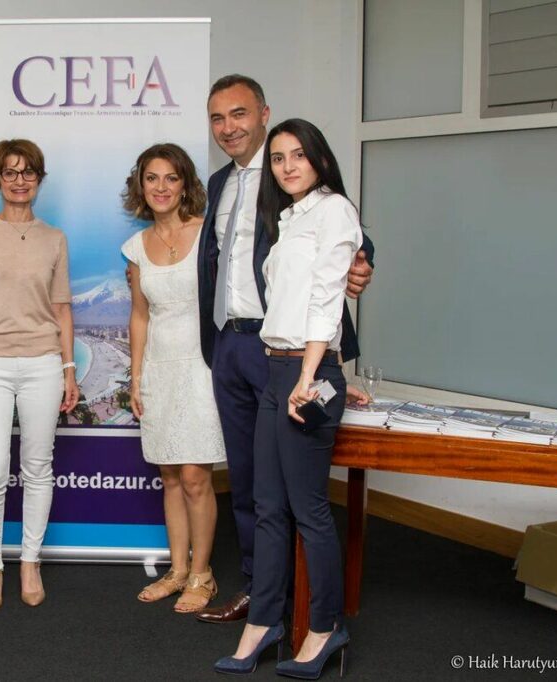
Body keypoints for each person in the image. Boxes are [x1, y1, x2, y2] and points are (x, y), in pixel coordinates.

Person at [194, 75, 374, 624]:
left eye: (240, 114)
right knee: (248, 479)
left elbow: (348, 233)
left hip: (283, 350)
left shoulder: (290, 179)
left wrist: (362, 261)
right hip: (229, 345)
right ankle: (261, 591)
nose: (229, 127)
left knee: (293, 487)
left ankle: (302, 601)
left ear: (264, 114)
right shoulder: (218, 182)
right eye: (218, 118)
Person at [214, 118, 359, 677]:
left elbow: (326, 298)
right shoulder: (289, 217)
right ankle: (264, 623)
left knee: (309, 510)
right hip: (276, 368)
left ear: (319, 158)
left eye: (299, 154)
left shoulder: (335, 210)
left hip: (305, 371)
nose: (288, 166)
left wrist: (315, 373)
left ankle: (324, 627)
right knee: (268, 506)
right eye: (278, 158)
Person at [0, 139, 78, 612]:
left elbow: (62, 309)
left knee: (37, 468)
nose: (19, 180)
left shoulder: (54, 239)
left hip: (43, 363)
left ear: (39, 180)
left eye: (28, 172)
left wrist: (69, 369)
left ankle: (30, 561)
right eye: (10, 172)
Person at [120, 143, 225, 613]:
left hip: (203, 366)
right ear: (140, 186)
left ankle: (203, 574)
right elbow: (140, 316)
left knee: (196, 477)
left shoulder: (209, 233)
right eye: (152, 178)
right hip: (159, 367)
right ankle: (178, 570)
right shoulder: (135, 248)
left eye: (171, 178)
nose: (161, 187)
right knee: (169, 476)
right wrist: (136, 376)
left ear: (185, 184)